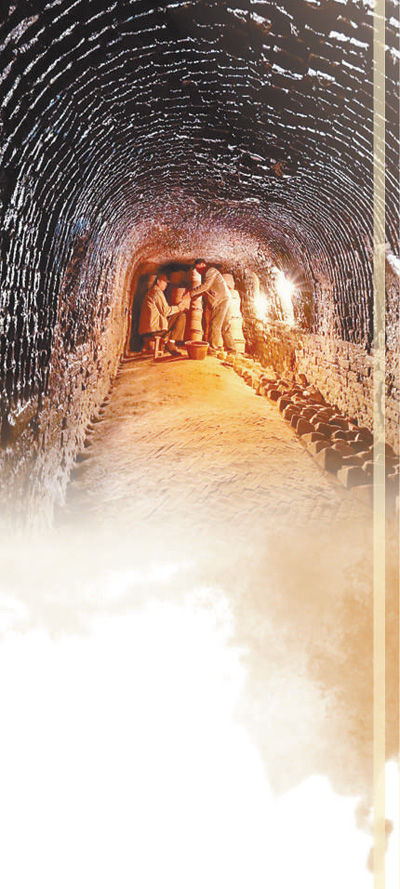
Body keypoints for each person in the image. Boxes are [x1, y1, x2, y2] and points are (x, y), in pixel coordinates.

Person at [188, 261, 236, 355]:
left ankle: (212, 349)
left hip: (221, 301)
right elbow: (204, 291)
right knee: (225, 326)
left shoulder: (210, 271)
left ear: (202, 264)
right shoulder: (206, 274)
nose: (197, 270)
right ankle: (232, 349)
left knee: (215, 325)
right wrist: (193, 297)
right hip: (225, 299)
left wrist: (190, 293)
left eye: (197, 267)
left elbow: (205, 287)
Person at [138, 273, 187, 355]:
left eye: (166, 283)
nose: (166, 285)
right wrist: (178, 307)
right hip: (154, 329)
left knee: (175, 316)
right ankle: (170, 343)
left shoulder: (152, 291)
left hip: (148, 328)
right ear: (158, 281)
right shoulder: (157, 292)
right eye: (164, 282)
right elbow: (165, 311)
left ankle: (168, 342)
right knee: (181, 315)